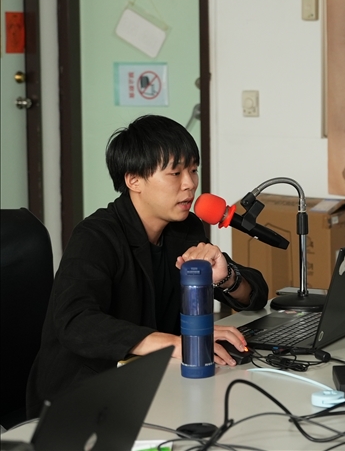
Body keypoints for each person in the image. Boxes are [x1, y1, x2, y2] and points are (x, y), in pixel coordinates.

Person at [26, 115, 269, 418]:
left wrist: (226, 278)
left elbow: (256, 295)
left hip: (153, 382)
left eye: (193, 170)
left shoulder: (184, 229)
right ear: (134, 180)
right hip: (80, 396)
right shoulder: (96, 236)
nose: (190, 184)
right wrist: (175, 344)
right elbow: (75, 322)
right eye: (175, 173)